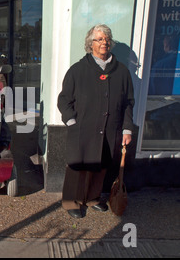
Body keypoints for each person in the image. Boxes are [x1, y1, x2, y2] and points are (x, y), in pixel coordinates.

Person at [57, 24, 135, 218]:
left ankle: (92, 198)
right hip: (82, 128)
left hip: (110, 129)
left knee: (101, 166)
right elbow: (64, 99)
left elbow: (128, 102)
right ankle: (71, 201)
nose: (104, 42)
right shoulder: (78, 70)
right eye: (99, 39)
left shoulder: (122, 72)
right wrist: (72, 122)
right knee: (78, 166)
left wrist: (127, 129)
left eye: (107, 39)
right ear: (90, 44)